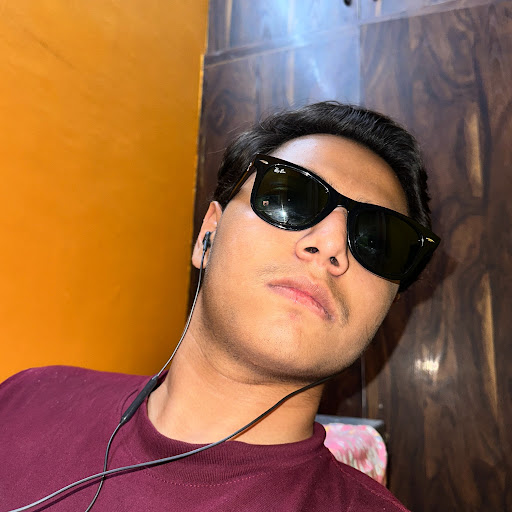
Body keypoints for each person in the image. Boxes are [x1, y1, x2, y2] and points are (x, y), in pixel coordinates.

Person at [0, 102, 439, 512]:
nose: (330, 246)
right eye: (291, 197)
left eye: (378, 242)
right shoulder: (25, 397)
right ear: (207, 235)